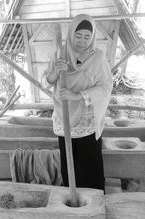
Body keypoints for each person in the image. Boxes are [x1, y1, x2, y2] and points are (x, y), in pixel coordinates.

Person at [45, 14, 113, 193]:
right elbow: (48, 80)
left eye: (87, 37)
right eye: (78, 35)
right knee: (69, 161)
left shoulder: (98, 58)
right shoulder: (60, 54)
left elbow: (105, 87)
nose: (82, 41)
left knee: (90, 162)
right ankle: (72, 196)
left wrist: (78, 96)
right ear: (71, 33)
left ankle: (95, 197)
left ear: (92, 38)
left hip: (86, 119)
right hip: (64, 115)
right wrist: (56, 72)